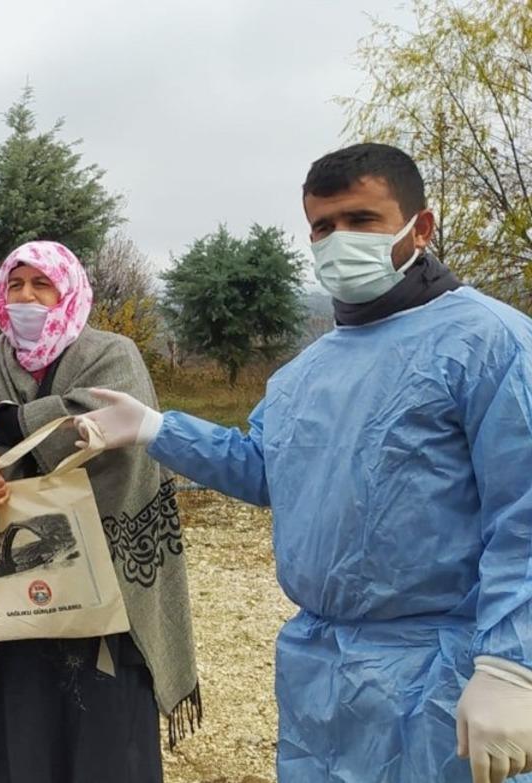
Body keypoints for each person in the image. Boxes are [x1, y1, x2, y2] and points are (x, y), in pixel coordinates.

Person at [80, 143, 532, 783]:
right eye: (323, 226)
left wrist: (511, 665)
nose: (337, 239)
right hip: (322, 672)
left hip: (449, 674)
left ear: (420, 227)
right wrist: (155, 428)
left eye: (361, 220)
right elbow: (269, 469)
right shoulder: (304, 373)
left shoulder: (492, 344)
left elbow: (525, 511)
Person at [0, 241, 201, 783]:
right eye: (15, 285)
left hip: (107, 591)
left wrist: (10, 422)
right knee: (23, 733)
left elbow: (110, 427)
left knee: (106, 741)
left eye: (40, 284)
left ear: (67, 289)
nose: (26, 297)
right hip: (15, 593)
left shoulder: (112, 356)